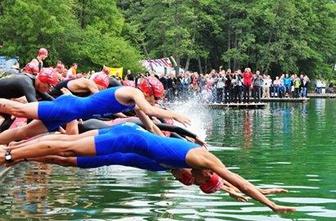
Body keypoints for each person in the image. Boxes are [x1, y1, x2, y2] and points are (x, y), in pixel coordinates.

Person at [0, 122, 295, 213]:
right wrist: (271, 205)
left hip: (125, 144)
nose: (186, 182)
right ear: (205, 174)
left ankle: (17, 153)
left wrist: (258, 190)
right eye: (195, 182)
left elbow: (232, 186)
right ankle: (9, 155)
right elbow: (238, 182)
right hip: (126, 137)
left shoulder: (200, 171)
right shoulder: (204, 160)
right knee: (67, 146)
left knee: (68, 153)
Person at [0, 77, 190, 144]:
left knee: (22, 132)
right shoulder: (133, 92)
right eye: (155, 98)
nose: (156, 102)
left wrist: (164, 141)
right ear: (148, 92)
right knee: (17, 108)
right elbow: (150, 109)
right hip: (68, 107)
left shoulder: (135, 104)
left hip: (70, 114)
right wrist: (175, 114)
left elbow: (150, 125)